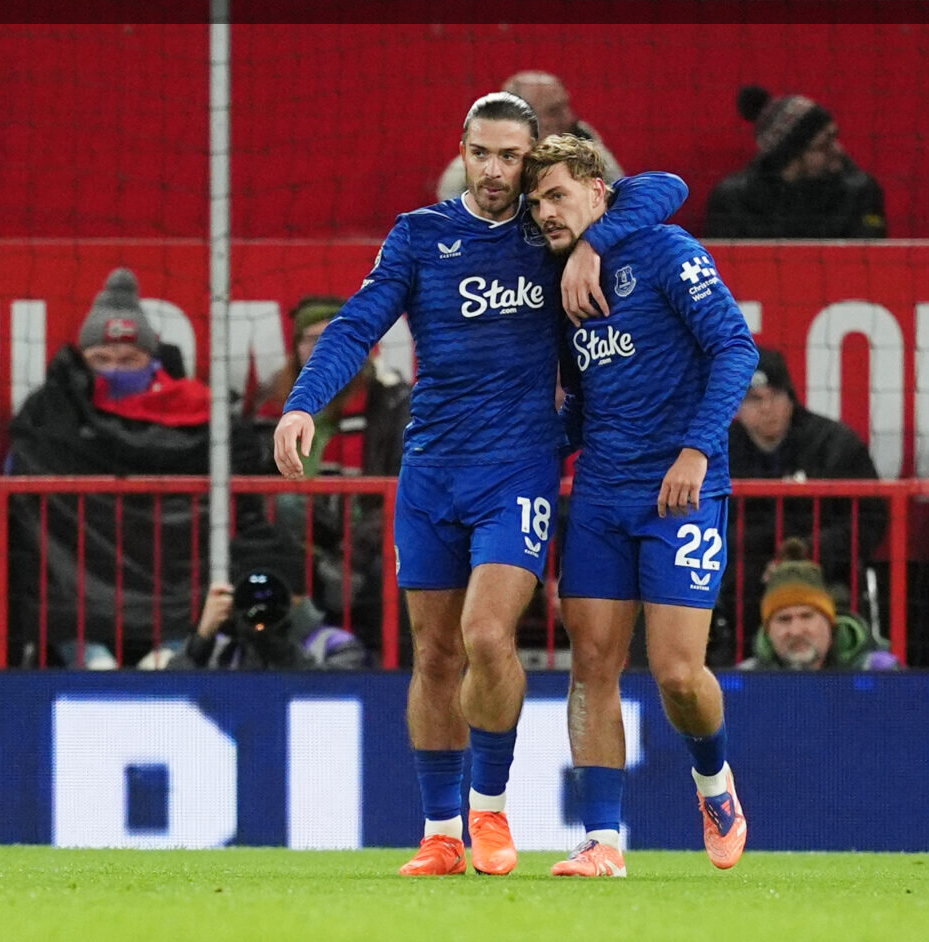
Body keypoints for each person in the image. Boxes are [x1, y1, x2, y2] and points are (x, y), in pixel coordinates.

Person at [274, 93, 687, 877]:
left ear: (529, 161)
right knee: (434, 655)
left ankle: (488, 809)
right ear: (461, 151)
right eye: (482, 153)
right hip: (431, 472)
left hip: (519, 470)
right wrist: (303, 403)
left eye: (510, 157)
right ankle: (441, 834)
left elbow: (665, 187)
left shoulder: (551, 233)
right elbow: (358, 323)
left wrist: (595, 246)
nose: (495, 170)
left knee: (488, 636)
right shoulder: (419, 236)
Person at [521, 134, 757, 877]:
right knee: (591, 663)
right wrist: (525, 452)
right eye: (536, 201)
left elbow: (736, 348)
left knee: (678, 673)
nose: (545, 212)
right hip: (600, 494)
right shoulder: (561, 281)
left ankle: (714, 783)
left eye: (557, 195)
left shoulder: (666, 251)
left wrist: (696, 449)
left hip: (681, 491)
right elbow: (584, 400)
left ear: (598, 192)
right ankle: (602, 840)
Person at [6, 267, 263, 668]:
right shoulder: (50, 414)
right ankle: (95, 664)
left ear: (152, 359)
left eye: (129, 359)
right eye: (101, 359)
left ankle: (172, 658)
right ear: (82, 359)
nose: (115, 369)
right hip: (77, 590)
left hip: (175, 591)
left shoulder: (204, 412)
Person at [249, 295, 410, 651]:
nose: (323, 349)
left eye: (335, 338)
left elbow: (398, 491)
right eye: (312, 339)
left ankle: (387, 669)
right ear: (295, 348)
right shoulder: (272, 405)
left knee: (395, 572)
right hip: (297, 538)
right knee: (278, 523)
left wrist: (350, 556)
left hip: (367, 539)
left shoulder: (390, 402)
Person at [718, 345, 886, 661]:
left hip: (826, 571)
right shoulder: (716, 452)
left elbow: (869, 521)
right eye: (753, 399)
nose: (766, 408)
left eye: (775, 396)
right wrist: (763, 557)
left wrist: (804, 553)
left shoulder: (836, 444)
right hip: (745, 578)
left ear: (790, 397)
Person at [165, 522, 370, 671]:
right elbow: (171, 702)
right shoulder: (220, 649)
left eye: (271, 594)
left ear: (299, 595)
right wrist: (201, 639)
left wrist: (276, 644)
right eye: (251, 595)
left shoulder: (337, 646)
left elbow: (324, 696)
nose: (261, 602)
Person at [704, 86, 886, 239]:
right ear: (789, 158)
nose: (838, 150)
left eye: (834, 137)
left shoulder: (860, 193)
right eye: (823, 145)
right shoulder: (732, 201)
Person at [436, 71, 623, 201]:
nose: (570, 117)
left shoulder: (588, 148)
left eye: (566, 106)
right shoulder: (463, 178)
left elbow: (621, 199)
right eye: (554, 111)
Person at [737, 539, 898, 671]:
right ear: (767, 630)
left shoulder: (880, 673)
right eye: (784, 619)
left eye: (807, 616)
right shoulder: (745, 680)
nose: (796, 631)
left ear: (830, 622)